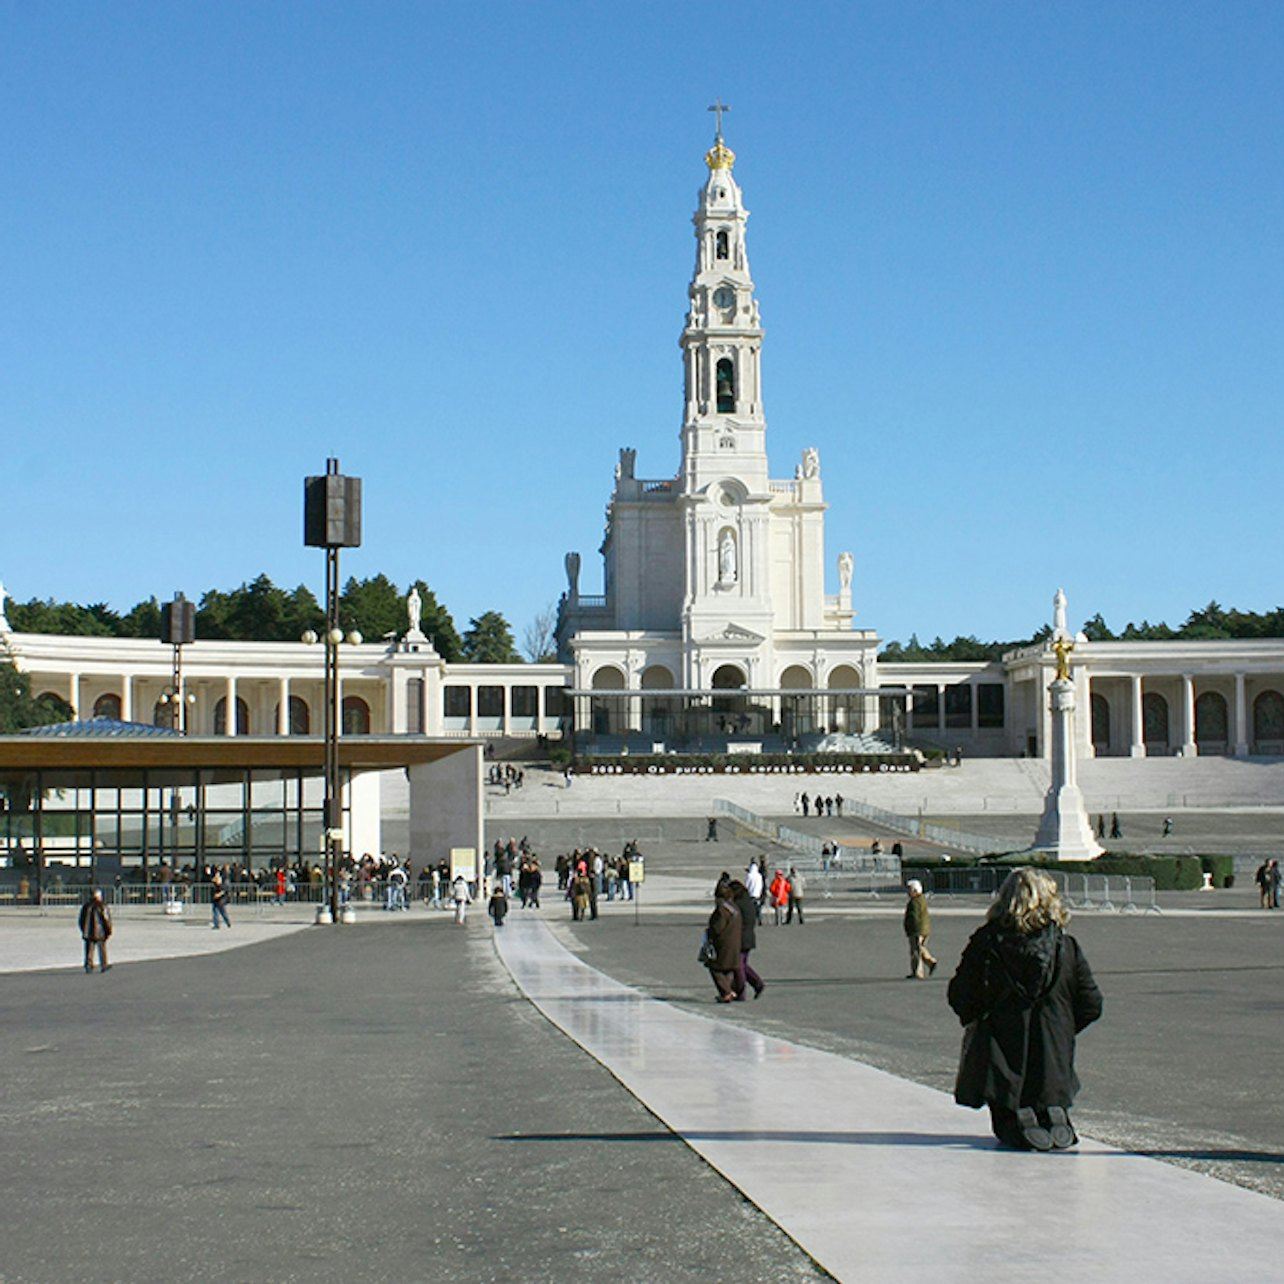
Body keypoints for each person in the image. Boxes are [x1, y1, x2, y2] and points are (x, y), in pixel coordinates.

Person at [948, 868, 1103, 1151]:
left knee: (1008, 1112)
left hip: (1001, 1054)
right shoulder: (1065, 947)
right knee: (1048, 1089)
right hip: (1052, 1052)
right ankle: (1052, 1111)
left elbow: (960, 994)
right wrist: (1065, 1027)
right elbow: (1091, 1003)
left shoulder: (986, 942)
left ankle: (1020, 1118)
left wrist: (979, 1019)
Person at [703, 881, 742, 1002]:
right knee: (728, 968)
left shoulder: (722, 910)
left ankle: (726, 992)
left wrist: (709, 933)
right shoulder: (734, 908)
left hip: (723, 943)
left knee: (715, 967)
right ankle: (728, 991)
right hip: (735, 943)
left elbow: (717, 928)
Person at [730, 879, 765, 1000]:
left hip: (741, 938)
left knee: (738, 966)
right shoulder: (748, 902)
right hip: (749, 937)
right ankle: (757, 984)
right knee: (743, 965)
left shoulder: (738, 904)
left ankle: (740, 992)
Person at [903, 879, 936, 978]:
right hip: (924, 929)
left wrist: (912, 930)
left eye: (910, 889)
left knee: (916, 951)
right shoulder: (921, 900)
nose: (908, 892)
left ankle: (918, 972)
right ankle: (930, 962)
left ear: (915, 890)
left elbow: (914, 918)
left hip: (917, 930)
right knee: (920, 949)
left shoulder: (915, 902)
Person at [78, 889, 112, 973]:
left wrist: (84, 930)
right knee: (102, 949)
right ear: (99, 896)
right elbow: (106, 919)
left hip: (88, 932)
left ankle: (88, 965)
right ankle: (104, 965)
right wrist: (108, 930)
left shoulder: (86, 906)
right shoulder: (102, 906)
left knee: (89, 949)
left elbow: (81, 920)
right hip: (100, 932)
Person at [744, 858, 764, 925]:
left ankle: (752, 920)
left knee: (751, 909)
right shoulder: (759, 876)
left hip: (751, 894)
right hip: (758, 894)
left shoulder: (749, 875)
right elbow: (761, 885)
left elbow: (747, 885)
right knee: (758, 908)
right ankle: (759, 919)